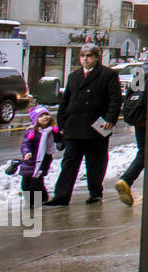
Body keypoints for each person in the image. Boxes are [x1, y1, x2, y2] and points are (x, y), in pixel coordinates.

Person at [44, 44, 122, 206]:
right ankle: (61, 196)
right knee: (69, 162)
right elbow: (65, 101)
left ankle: (95, 192)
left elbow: (115, 99)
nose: (85, 59)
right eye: (82, 56)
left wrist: (110, 119)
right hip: (74, 127)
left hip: (97, 127)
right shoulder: (74, 76)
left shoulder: (107, 75)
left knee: (96, 162)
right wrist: (62, 122)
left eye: (89, 56)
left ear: (96, 57)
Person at [115, 60, 148, 207]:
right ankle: (127, 179)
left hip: (140, 119)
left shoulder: (141, 72)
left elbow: (130, 95)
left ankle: (126, 180)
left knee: (143, 152)